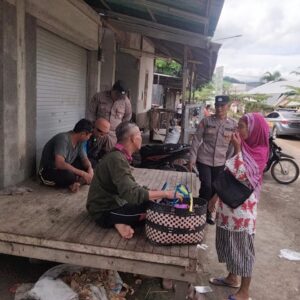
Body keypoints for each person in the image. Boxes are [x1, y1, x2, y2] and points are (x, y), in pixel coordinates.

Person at [208, 113, 269, 300]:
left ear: (253, 130)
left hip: (242, 212)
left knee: (243, 249)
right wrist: (215, 196)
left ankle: (244, 291)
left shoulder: (259, 152)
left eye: (241, 126)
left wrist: (237, 148)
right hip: (228, 208)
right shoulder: (243, 148)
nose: (237, 130)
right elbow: (228, 173)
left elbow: (243, 175)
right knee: (228, 243)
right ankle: (231, 277)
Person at [86, 121, 182, 239]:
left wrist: (152, 191)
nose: (141, 138)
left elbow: (130, 186)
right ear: (133, 139)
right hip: (103, 210)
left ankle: (119, 222)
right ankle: (116, 222)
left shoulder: (118, 155)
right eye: (140, 135)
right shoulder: (117, 159)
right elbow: (132, 194)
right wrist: (166, 193)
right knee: (156, 212)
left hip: (117, 202)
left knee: (153, 201)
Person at [189, 95, 237, 224]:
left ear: (228, 106)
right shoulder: (206, 121)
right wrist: (192, 157)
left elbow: (233, 145)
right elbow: (196, 139)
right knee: (207, 186)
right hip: (204, 159)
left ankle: (209, 213)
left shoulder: (233, 125)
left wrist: (229, 162)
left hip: (221, 162)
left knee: (216, 188)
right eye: (217, 106)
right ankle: (199, 212)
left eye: (222, 106)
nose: (219, 108)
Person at [39, 119, 94, 192]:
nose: (89, 138)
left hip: (64, 168)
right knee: (69, 176)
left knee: (91, 163)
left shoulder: (80, 142)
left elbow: (84, 159)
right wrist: (83, 174)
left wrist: (90, 169)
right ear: (83, 134)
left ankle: (76, 183)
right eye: (89, 136)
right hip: (48, 170)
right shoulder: (63, 138)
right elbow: (59, 163)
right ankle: (73, 182)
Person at [87, 80, 132, 146]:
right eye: (117, 95)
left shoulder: (126, 101)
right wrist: (94, 128)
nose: (118, 98)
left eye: (121, 97)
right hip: (99, 133)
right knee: (95, 151)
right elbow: (90, 113)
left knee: (111, 153)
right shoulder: (99, 97)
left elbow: (128, 116)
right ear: (112, 90)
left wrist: (120, 128)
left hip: (114, 135)